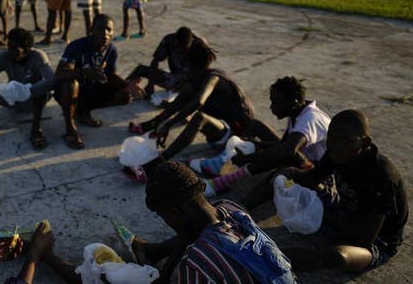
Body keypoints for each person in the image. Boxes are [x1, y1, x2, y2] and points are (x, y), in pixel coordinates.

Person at [280, 109, 408, 273]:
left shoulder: (381, 176)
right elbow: (312, 179)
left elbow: (364, 237)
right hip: (344, 212)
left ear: (365, 142)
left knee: (339, 256)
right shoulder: (337, 152)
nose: (335, 146)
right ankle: (244, 209)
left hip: (378, 241)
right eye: (331, 139)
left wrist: (322, 212)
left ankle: (271, 258)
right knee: (285, 174)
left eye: (345, 141)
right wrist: (288, 180)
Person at [129, 161, 296, 283]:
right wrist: (164, 276)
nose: (165, 221)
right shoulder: (231, 209)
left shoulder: (196, 265)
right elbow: (188, 235)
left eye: (162, 215)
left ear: (177, 212)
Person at [128, 38, 271, 162]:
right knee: (186, 94)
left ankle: (162, 159)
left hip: (238, 133)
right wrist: (162, 123)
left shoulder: (213, 77)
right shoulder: (195, 80)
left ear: (190, 63)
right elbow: (176, 105)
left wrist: (170, 124)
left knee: (199, 117)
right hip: (222, 133)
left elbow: (199, 102)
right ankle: (153, 124)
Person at [200, 76, 331, 198]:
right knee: (258, 131)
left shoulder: (310, 119)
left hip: (319, 177)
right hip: (306, 163)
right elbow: (284, 145)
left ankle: (242, 199)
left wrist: (248, 158)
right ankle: (221, 171)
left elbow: (288, 150)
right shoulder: (298, 112)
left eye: (275, 102)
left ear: (294, 101)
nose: (271, 107)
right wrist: (258, 145)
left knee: (276, 179)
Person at [54, 14, 132, 149]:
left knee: (124, 96)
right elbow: (60, 73)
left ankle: (83, 113)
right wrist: (85, 72)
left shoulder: (111, 49)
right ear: (91, 30)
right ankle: (70, 128)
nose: (105, 33)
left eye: (109, 29)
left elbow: (111, 74)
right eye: (101, 29)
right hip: (68, 92)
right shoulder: (77, 46)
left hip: (90, 91)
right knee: (71, 84)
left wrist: (128, 85)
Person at [125, 27, 200, 97]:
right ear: (176, 40)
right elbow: (155, 61)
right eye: (180, 47)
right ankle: (122, 89)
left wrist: (181, 84)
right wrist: (151, 84)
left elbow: (200, 72)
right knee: (141, 69)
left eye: (185, 48)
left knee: (192, 88)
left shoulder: (199, 45)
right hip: (172, 78)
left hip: (187, 81)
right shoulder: (169, 39)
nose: (182, 50)